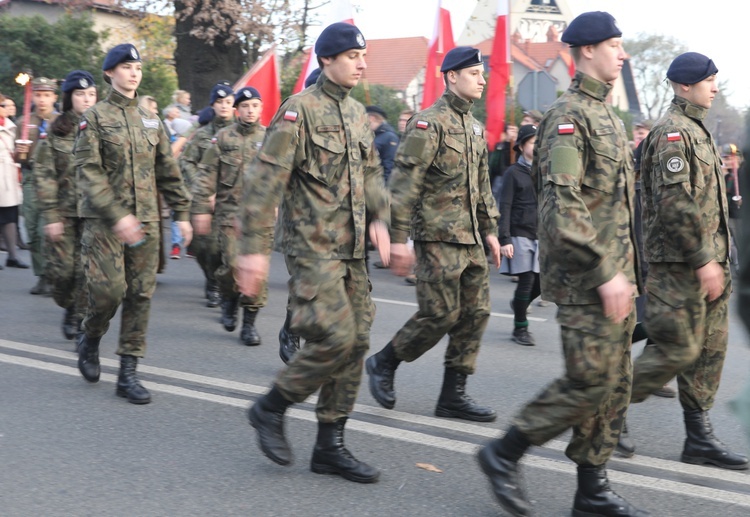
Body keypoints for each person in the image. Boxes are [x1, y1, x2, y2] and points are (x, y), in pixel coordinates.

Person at [477, 12, 649, 517]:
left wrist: (632, 272)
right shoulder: (568, 117)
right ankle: (503, 453)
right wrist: (605, 270)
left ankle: (591, 490)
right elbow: (562, 206)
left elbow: (618, 207)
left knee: (613, 385)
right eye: (615, 45)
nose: (623, 54)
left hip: (617, 278)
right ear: (587, 50)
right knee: (589, 381)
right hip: (587, 279)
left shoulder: (611, 121)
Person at [236, 22, 390, 483]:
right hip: (313, 249)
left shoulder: (359, 115)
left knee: (358, 342)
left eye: (363, 56)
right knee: (337, 338)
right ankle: (271, 406)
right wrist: (252, 252)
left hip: (353, 252)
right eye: (351, 56)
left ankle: (330, 445)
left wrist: (387, 224)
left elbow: (372, 177)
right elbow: (264, 183)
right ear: (327, 60)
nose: (361, 64)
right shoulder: (297, 112)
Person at [366, 46, 501, 423]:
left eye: (481, 73)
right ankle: (384, 362)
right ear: (452, 76)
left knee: (476, 314)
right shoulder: (428, 123)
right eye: (475, 73)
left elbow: (482, 186)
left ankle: (452, 396)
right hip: (438, 237)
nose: (482, 80)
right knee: (439, 314)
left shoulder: (474, 128)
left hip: (471, 238)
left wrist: (490, 230)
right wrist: (398, 239)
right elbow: (405, 184)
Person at [628, 52, 748, 470]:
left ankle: (698, 438)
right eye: (708, 80)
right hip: (681, 266)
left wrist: (720, 257)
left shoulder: (699, 132)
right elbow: (674, 203)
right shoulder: (671, 134)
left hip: (710, 262)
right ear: (684, 86)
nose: (714, 87)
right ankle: (601, 411)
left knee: (709, 352)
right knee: (672, 352)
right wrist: (702, 260)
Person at [74, 43, 193, 404]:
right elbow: (88, 173)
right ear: (110, 73)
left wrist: (183, 213)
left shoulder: (152, 120)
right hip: (105, 223)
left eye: (137, 66)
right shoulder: (94, 118)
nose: (134, 72)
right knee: (109, 292)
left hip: (146, 221)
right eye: (126, 66)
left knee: (140, 295)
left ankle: (128, 372)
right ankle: (91, 336)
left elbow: (168, 172)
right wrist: (117, 214)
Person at [192, 86, 266, 346]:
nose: (250, 111)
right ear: (237, 110)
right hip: (228, 215)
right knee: (231, 267)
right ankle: (229, 299)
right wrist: (201, 207)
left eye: (255, 106)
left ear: (261, 109)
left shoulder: (270, 139)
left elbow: (283, 176)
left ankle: (249, 325)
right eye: (245, 106)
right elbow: (206, 174)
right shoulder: (223, 138)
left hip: (259, 218)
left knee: (257, 275)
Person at [34, 70, 97, 341]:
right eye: (80, 94)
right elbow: (44, 173)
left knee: (87, 271)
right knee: (63, 272)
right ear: (69, 97)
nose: (86, 99)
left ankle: (79, 318)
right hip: (64, 212)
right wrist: (51, 214)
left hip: (95, 214)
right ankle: (68, 304)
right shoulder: (56, 129)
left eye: (91, 94)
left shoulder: (104, 128)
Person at [179, 81, 235, 307]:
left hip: (232, 198)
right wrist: (202, 188)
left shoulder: (240, 132)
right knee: (204, 247)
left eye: (228, 102)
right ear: (212, 105)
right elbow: (186, 162)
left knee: (230, 247)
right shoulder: (202, 134)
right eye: (219, 102)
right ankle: (211, 279)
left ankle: (224, 285)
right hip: (205, 199)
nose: (224, 106)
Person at [498, 124, 540, 346]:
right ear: (522, 146)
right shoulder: (513, 173)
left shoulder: (545, 170)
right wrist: (504, 239)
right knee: (527, 279)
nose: (537, 145)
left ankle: (519, 303)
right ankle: (520, 328)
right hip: (519, 233)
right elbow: (504, 206)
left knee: (542, 282)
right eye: (533, 142)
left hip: (541, 233)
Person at [21, 77, 59, 295]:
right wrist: (20, 153)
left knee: (50, 230)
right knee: (33, 230)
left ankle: (55, 274)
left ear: (54, 97)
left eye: (46, 95)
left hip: (53, 180)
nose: (42, 99)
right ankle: (41, 275)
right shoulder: (24, 122)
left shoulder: (62, 122)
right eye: (38, 95)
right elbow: (19, 157)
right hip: (31, 179)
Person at [0, 93, 28, 270]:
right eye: (3, 105)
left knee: (10, 218)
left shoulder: (11, 126)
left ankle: (12, 256)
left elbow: (15, 156)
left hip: (8, 177)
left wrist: (21, 151)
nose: (5, 108)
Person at [365, 105, 399, 182]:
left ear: (371, 118)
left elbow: (389, 165)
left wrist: (385, 188)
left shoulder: (389, 137)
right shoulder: (373, 134)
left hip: (378, 184)